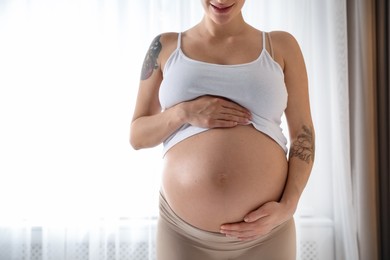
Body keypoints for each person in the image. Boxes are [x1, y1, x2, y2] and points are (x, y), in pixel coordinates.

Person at [130, 0, 315, 259]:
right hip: (182, 234)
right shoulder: (165, 47)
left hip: (266, 234)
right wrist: (183, 112)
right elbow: (137, 135)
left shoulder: (281, 46)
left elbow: (303, 135)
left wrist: (288, 206)